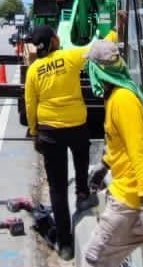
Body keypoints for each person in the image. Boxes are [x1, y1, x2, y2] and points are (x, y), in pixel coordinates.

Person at [80, 40, 143, 267]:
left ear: (97, 70)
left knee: (93, 260)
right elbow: (124, 144)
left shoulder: (123, 101)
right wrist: (105, 165)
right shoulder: (121, 94)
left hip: (133, 202)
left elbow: (139, 150)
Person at [25, 25, 92, 261]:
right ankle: (83, 191)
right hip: (76, 126)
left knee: (57, 188)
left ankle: (65, 244)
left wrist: (34, 132)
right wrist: (118, 28)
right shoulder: (69, 57)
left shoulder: (34, 70)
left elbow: (30, 104)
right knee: (82, 154)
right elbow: (95, 48)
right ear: (54, 40)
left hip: (49, 132)